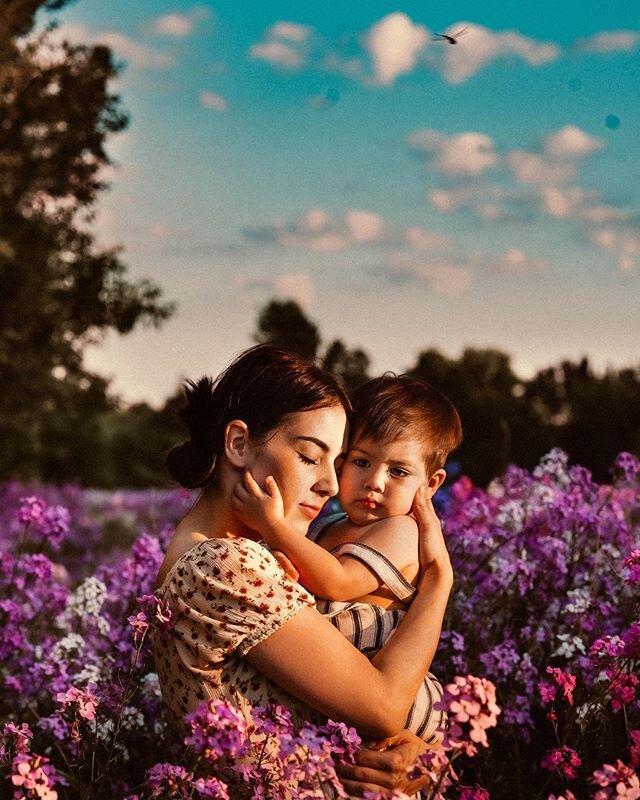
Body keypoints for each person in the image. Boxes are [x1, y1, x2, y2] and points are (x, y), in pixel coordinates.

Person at [153, 345, 454, 796]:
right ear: (238, 443)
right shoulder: (224, 565)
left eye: (337, 462)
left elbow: (337, 723)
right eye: (311, 456)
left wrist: (417, 754)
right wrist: (438, 580)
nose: (331, 485)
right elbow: (384, 707)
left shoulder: (231, 559)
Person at [232, 374, 462, 744]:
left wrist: (273, 526)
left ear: (431, 484)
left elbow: (339, 582)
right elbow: (306, 584)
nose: (375, 481)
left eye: (398, 471)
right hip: (345, 687)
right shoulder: (329, 526)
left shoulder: (402, 530)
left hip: (400, 700)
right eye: (361, 461)